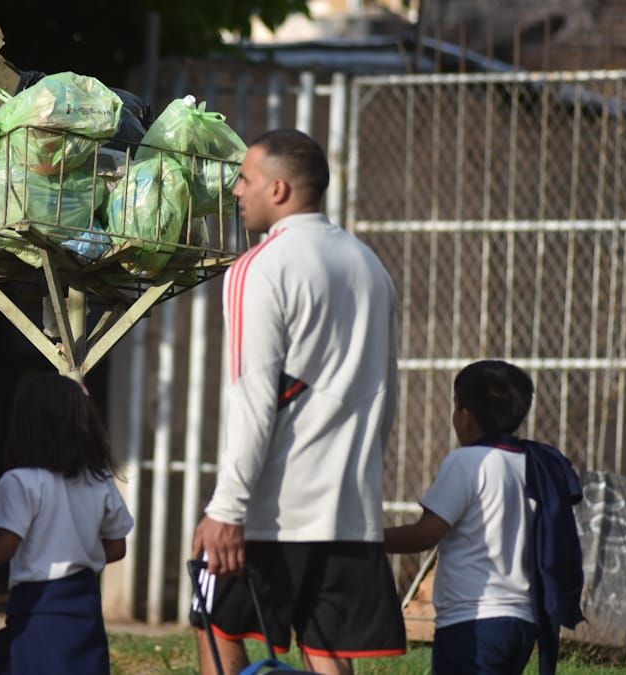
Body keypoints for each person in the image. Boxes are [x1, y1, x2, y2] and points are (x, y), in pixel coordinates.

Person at [190, 129, 405, 675]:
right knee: (328, 650)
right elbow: (386, 392)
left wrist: (228, 509)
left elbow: (252, 397)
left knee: (216, 628)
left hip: (272, 511)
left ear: (279, 190)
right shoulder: (371, 268)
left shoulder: (260, 267)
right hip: (351, 505)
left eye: (246, 179)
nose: (237, 191)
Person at [384, 360, 584, 675]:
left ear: (465, 416)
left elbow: (426, 534)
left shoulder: (467, 462)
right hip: (522, 623)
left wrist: (367, 539)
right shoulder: (533, 464)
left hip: (473, 622)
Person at [0, 373, 134, 675]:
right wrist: (78, 554)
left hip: (37, 608)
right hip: (85, 605)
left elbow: (4, 547)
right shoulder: (100, 479)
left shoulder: (19, 482)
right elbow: (117, 547)